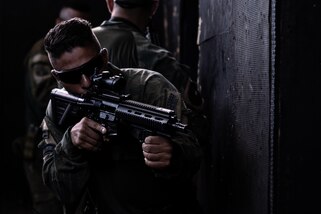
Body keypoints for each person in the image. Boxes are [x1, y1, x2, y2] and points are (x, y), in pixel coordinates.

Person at [39, 17, 203, 214]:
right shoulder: (60, 107)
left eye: (92, 67)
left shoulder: (149, 87)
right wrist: (71, 145)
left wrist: (174, 153)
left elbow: (195, 150)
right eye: (72, 76)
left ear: (104, 57)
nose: (86, 82)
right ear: (57, 77)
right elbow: (60, 189)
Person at [93, 0, 209, 147]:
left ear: (109, 3)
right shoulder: (157, 58)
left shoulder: (83, 45)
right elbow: (197, 125)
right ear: (154, 6)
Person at [11, 1, 91, 214]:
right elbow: (46, 100)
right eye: (68, 23)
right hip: (43, 146)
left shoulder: (83, 54)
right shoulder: (42, 55)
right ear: (57, 23)